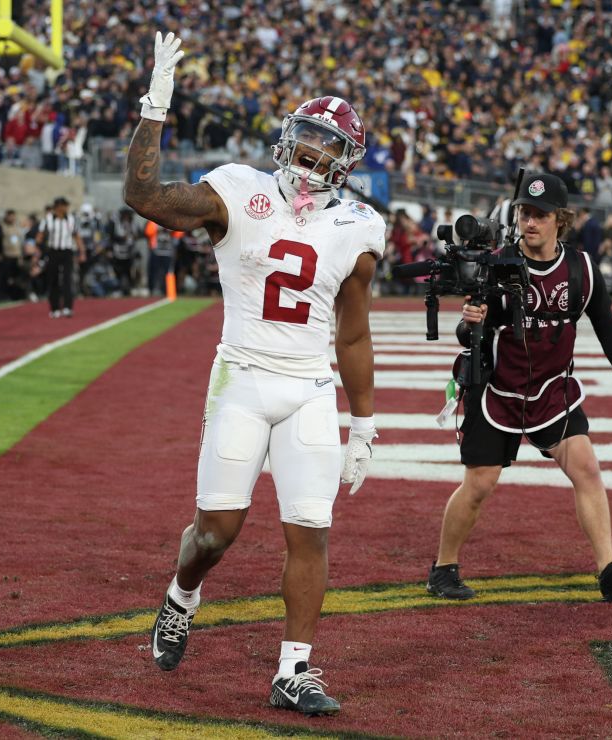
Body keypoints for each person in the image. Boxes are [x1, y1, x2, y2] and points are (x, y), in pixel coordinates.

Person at [123, 32, 384, 717]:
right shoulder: (238, 190)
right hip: (241, 376)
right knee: (217, 533)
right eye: (309, 137)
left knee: (310, 526)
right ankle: (183, 595)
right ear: (288, 136)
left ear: (347, 163)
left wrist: (365, 421)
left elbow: (352, 330)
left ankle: (293, 671)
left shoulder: (358, 226)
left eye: (331, 145)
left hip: (310, 387)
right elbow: (144, 195)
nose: (315, 152)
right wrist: (156, 104)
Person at [425, 172, 612, 605]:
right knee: (478, 485)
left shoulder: (582, 269)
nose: (530, 222)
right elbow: (468, 332)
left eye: (540, 215)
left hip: (553, 391)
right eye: (524, 213)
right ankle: (443, 567)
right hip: (499, 392)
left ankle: (608, 571)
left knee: (586, 469)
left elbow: (607, 326)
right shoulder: (496, 264)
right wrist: (468, 322)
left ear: (560, 220)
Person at [35, 196, 84, 318]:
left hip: (67, 251)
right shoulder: (48, 219)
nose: (66, 208)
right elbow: (39, 237)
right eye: (64, 205)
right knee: (53, 279)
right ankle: (55, 308)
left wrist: (82, 252)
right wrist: (41, 251)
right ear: (58, 207)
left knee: (68, 279)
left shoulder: (71, 219)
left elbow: (77, 236)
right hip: (53, 251)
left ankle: (67, 307)